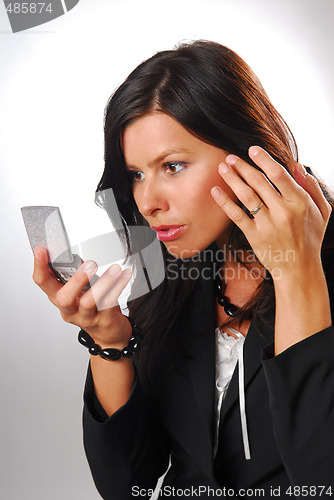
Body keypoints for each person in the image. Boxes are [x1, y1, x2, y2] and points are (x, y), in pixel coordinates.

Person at [33, 40, 334, 499]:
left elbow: (321, 478)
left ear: (250, 153)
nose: (148, 202)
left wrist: (297, 274)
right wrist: (109, 343)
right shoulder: (175, 273)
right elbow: (125, 486)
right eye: (135, 174)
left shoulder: (321, 271)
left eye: (172, 166)